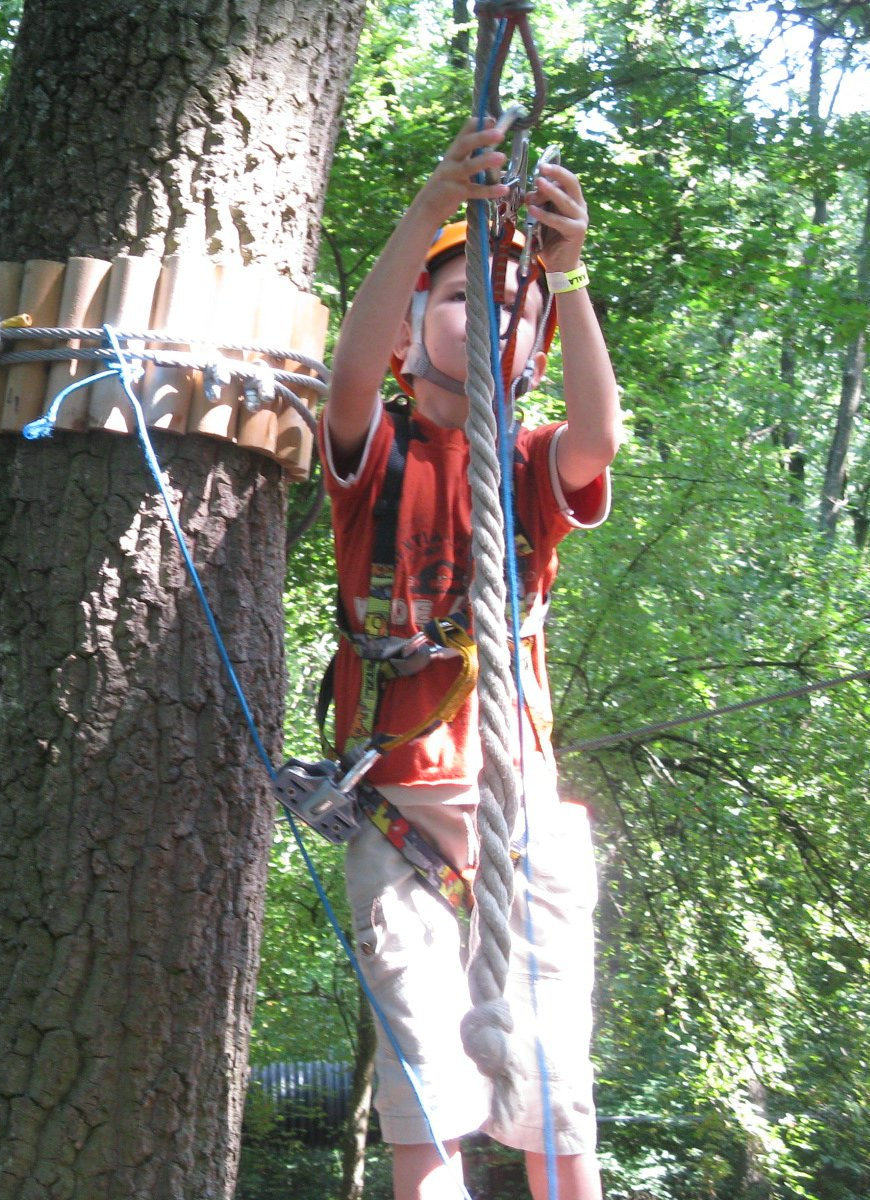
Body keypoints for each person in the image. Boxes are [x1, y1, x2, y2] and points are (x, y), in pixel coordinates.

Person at [320, 119, 621, 1200]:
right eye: (458, 298)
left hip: (520, 813)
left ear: (533, 344)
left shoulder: (534, 464)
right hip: (400, 818)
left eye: (509, 301)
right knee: (426, 1101)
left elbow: (599, 434)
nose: (490, 309)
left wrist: (567, 277)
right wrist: (431, 204)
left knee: (553, 1095)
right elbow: (350, 371)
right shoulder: (378, 454)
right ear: (410, 336)